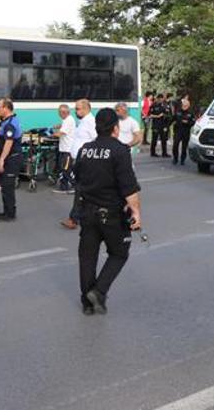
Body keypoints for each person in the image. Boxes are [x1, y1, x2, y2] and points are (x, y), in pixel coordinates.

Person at [73, 108, 142, 315]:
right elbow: (129, 188)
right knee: (119, 253)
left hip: (87, 212)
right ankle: (99, 291)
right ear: (115, 128)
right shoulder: (120, 150)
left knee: (87, 257)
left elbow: (77, 177)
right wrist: (137, 213)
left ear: (97, 127)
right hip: (111, 214)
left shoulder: (85, 149)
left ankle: (87, 304)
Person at [61, 99, 97, 230]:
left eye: (78, 109)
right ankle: (84, 216)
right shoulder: (82, 122)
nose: (75, 111)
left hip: (86, 161)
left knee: (80, 190)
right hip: (79, 161)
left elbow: (96, 140)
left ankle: (74, 218)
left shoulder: (90, 122)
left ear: (86, 108)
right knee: (82, 191)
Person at [0, 98, 23, 222]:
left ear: (6, 108)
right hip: (9, 158)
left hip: (12, 159)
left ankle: (10, 214)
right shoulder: (7, 121)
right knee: (5, 187)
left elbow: (8, 143)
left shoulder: (10, 123)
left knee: (8, 187)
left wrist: (1, 160)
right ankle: (7, 211)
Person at [52, 104, 75, 194]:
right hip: (64, 149)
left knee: (66, 169)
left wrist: (51, 134)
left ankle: (73, 186)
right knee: (64, 168)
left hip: (67, 149)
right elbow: (63, 127)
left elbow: (61, 133)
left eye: (60, 112)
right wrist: (58, 126)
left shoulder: (68, 120)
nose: (59, 114)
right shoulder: (67, 120)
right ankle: (63, 186)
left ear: (64, 112)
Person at [172, 99, 196, 165]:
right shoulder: (178, 112)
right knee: (175, 145)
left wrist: (187, 122)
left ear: (188, 106)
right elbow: (172, 119)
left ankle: (182, 159)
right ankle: (175, 158)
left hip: (186, 132)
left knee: (184, 147)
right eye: (183, 105)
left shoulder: (190, 113)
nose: (184, 106)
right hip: (178, 131)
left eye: (185, 105)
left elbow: (193, 122)